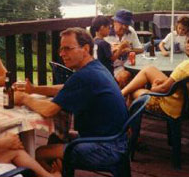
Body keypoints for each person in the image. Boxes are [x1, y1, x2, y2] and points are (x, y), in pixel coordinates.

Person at [14, 27, 128, 173]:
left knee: (39, 153)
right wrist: (35, 89)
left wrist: (24, 98)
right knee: (56, 138)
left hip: (107, 148)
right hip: (114, 139)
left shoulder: (84, 76)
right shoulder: (95, 67)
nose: (62, 54)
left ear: (85, 49)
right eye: (61, 49)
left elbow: (49, 110)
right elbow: (66, 88)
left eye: (67, 49)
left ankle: (55, 175)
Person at [122, 28, 189, 119]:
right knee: (149, 69)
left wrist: (154, 87)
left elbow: (164, 89)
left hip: (170, 107)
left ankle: (127, 124)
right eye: (188, 41)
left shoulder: (187, 65)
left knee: (133, 92)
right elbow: (174, 84)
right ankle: (121, 94)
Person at [105, 9, 144, 88]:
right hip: (111, 68)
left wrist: (130, 50)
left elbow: (141, 50)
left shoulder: (131, 31)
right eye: (121, 23)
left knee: (144, 73)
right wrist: (119, 49)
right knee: (124, 76)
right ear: (114, 22)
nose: (124, 27)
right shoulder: (106, 34)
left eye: (126, 24)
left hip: (129, 66)